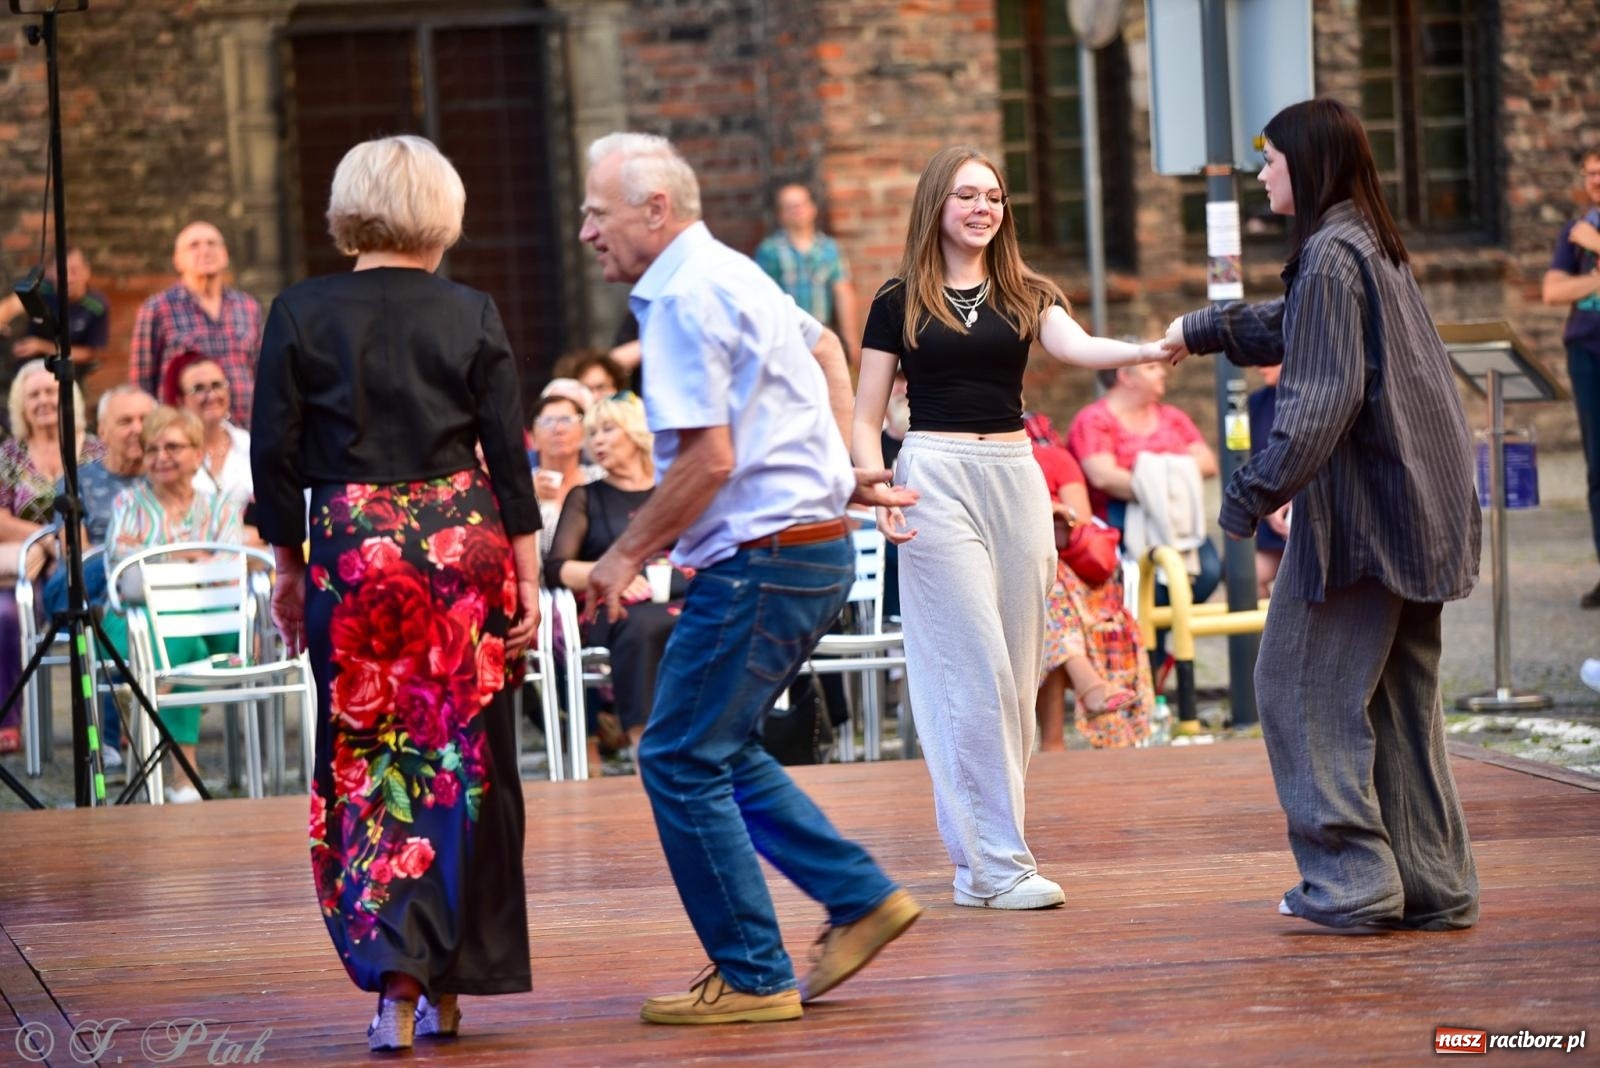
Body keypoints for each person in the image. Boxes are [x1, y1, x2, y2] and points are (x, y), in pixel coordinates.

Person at [578, 131, 921, 1024]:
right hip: (802, 547)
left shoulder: (686, 296)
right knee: (714, 748)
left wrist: (622, 555)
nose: (585, 231)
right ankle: (859, 897)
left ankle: (754, 974)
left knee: (679, 755)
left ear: (656, 209)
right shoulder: (730, 271)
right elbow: (825, 353)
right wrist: (843, 464)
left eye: (595, 212)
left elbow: (708, 461)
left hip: (766, 558)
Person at [251, 134, 541, 1052]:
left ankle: (397, 987)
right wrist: (529, 565)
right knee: (467, 761)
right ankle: (453, 975)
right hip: (462, 552)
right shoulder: (472, 311)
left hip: (355, 552)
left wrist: (290, 563)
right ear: (442, 212)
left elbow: (273, 456)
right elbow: (507, 446)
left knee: (369, 761)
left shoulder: (300, 310)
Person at [1163, 96, 1481, 932]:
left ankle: (1350, 880)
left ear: (1307, 163)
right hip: (1423, 510)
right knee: (1392, 701)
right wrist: (1203, 330)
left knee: (1295, 686)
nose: (1262, 172)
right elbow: (1302, 330)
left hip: (1372, 518)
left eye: (1270, 159)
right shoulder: (1365, 241)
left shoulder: (1334, 256)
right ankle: (1432, 883)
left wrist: (1244, 496)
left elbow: (1317, 400)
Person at [852, 145, 1167, 910]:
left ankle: (977, 862)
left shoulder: (1028, 292)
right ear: (937, 204)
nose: (982, 208)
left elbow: (1077, 346)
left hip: (1017, 474)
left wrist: (1148, 349)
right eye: (966, 195)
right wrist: (878, 486)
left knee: (1019, 672)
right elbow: (864, 420)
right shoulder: (899, 301)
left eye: (993, 197)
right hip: (935, 477)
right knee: (973, 667)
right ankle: (1001, 863)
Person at [101, 405, 242, 803]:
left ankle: (151, 696)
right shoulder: (128, 505)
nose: (161, 456)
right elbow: (127, 581)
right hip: (135, 624)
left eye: (173, 447)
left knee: (192, 629)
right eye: (152, 448)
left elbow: (231, 574)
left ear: (198, 453)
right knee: (181, 637)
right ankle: (185, 775)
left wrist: (159, 561)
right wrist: (195, 561)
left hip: (210, 624)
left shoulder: (219, 507)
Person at [544, 393, 678, 764]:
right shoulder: (587, 497)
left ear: (635, 433)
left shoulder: (672, 490)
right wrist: (607, 573)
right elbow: (556, 568)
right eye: (592, 433)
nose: (597, 441)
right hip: (617, 608)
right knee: (642, 625)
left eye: (608, 429)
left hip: (680, 596)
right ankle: (643, 747)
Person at [0, 360, 104, 752]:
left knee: (111, 613)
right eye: (34, 394)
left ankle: (113, 720)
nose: (44, 400)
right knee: (4, 616)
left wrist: (68, 544)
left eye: (50, 391)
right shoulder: (9, 454)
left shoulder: (95, 449)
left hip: (83, 564)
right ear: (20, 405)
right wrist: (46, 538)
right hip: (25, 569)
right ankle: (8, 721)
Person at [1032, 442, 1153, 750]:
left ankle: (1053, 744)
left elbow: (1082, 520)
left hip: (1075, 580)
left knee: (1048, 590)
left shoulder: (1054, 459)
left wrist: (1059, 516)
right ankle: (1089, 686)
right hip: (1017, 579)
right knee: (1045, 584)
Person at [1540, 149, 1600, 610]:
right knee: (1598, 468)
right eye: (1590, 174)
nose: (1595, 181)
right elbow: (1552, 290)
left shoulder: (1588, 236)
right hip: (1586, 352)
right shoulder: (1574, 232)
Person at [130, 221, 263, 428]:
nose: (205, 251)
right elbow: (141, 383)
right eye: (194, 245)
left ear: (225, 254)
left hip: (244, 433)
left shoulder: (247, 306)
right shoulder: (157, 308)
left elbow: (260, 371)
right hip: (184, 434)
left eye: (212, 243)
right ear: (177, 261)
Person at [754, 183, 863, 367]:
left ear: (812, 209)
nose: (796, 210)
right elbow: (761, 298)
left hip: (823, 334)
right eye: (789, 206)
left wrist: (851, 341)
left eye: (801, 204)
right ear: (780, 214)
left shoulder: (829, 249)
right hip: (786, 338)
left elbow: (843, 292)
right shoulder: (768, 251)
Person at [161, 352, 254, 515]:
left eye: (218, 385)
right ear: (180, 401)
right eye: (198, 389)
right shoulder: (167, 453)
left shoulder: (249, 444)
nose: (211, 396)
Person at [0, 247, 110, 372]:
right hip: (30, 367)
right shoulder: (42, 289)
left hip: (70, 371)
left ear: (86, 271)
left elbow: (90, 353)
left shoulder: (97, 306)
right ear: (51, 272)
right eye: (61, 272)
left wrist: (42, 346)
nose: (67, 279)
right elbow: (11, 305)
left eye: (74, 271)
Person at [530, 392, 605, 554]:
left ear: (583, 433)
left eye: (566, 420)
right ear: (533, 439)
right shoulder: (521, 486)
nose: (558, 429)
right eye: (547, 422)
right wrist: (528, 497)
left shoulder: (602, 478)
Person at [1247, 364, 1290, 599]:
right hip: (1272, 521)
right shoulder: (1256, 404)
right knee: (1247, 580)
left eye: (1269, 357)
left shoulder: (1320, 396)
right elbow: (1246, 465)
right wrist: (1266, 504)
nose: (1260, 366)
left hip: (1314, 516)